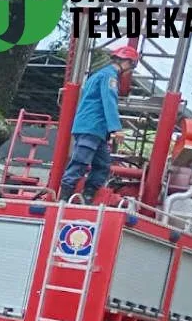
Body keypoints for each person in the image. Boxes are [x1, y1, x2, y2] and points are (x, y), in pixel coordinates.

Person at [58, 44, 139, 203]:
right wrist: (116, 128)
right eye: (131, 66)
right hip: (92, 126)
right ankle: (64, 197)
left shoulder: (99, 75)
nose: (130, 70)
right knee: (80, 162)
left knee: (102, 165)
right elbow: (109, 102)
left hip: (96, 129)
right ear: (127, 62)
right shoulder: (109, 77)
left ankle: (88, 196)